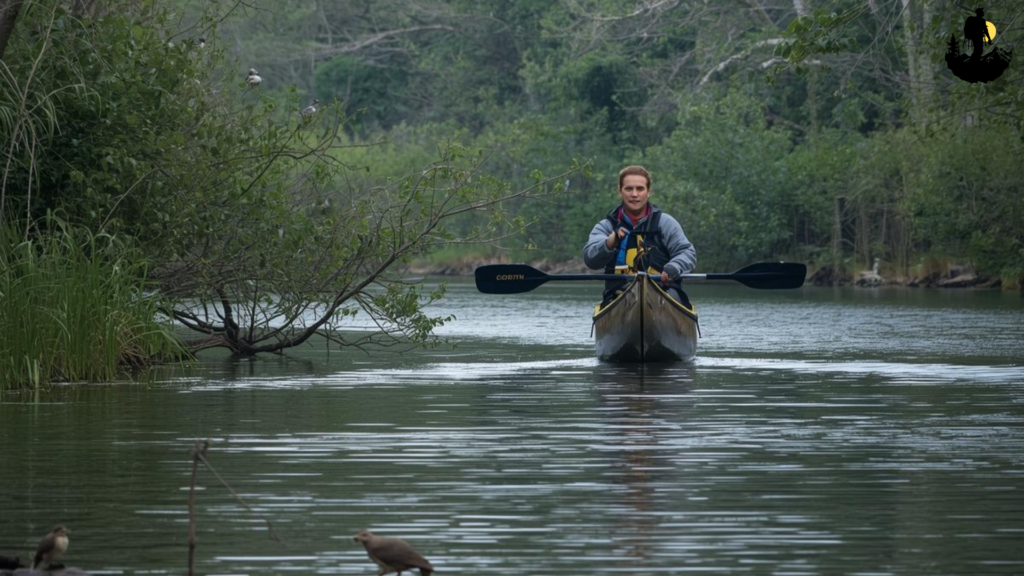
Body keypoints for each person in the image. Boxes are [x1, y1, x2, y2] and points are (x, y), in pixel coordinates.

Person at [583, 165, 696, 304]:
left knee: (674, 298)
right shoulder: (606, 226)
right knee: (615, 300)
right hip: (618, 295)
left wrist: (675, 266)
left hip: (664, 291)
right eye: (629, 189)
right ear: (620, 191)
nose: (634, 194)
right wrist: (610, 242)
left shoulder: (666, 223)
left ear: (648, 192)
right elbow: (590, 259)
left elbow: (687, 252)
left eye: (640, 189)